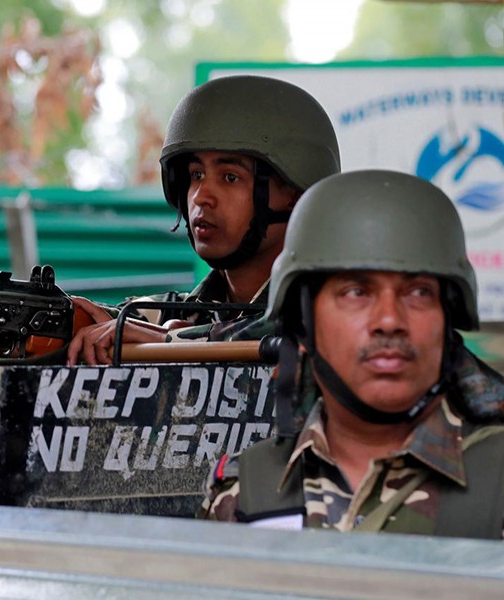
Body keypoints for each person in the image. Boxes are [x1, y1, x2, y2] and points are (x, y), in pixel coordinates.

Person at [202, 169, 504, 539]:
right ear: (304, 324)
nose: (390, 320)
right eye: (356, 293)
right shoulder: (246, 494)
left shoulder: (497, 479)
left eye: (419, 293)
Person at [67, 75, 340, 366]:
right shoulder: (178, 315)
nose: (200, 197)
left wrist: (170, 342)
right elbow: (119, 322)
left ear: (295, 194)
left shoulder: (339, 309)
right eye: (196, 175)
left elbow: (282, 328)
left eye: (230, 177)